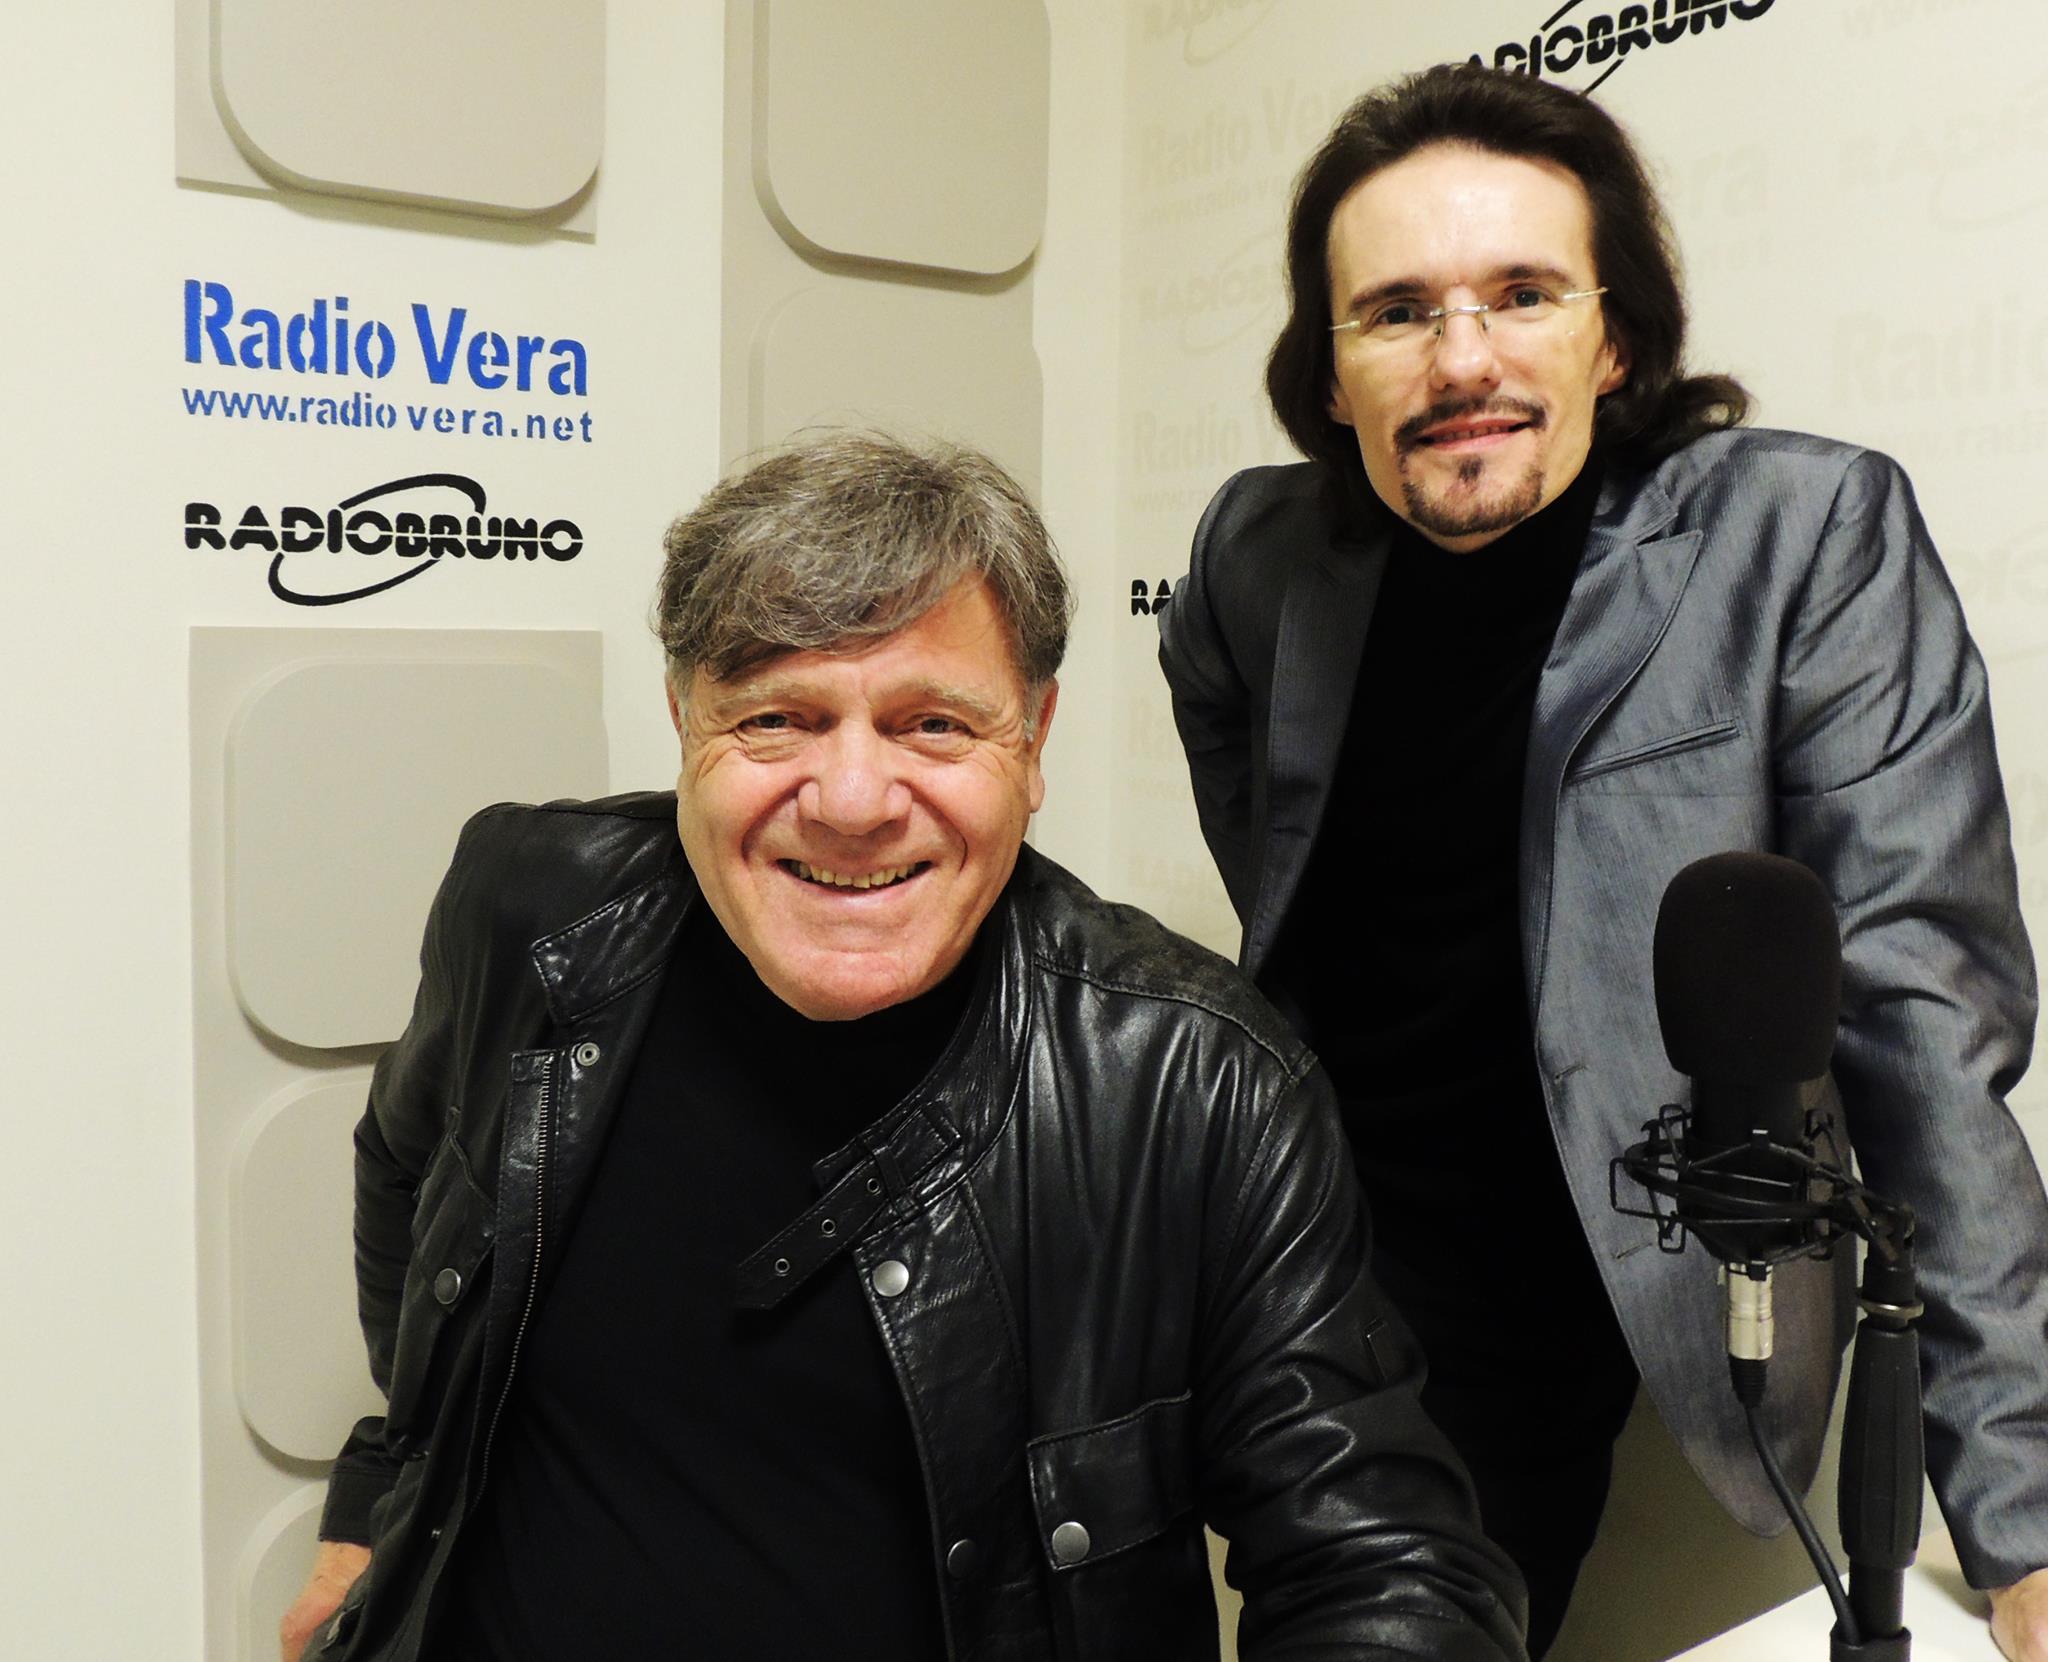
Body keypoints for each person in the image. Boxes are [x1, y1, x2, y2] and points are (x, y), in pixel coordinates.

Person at [279, 431, 1528, 1662]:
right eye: (776, 719)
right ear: (682, 721)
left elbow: (1381, 1569)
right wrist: (383, 1496)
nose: (852, 802)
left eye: (932, 724)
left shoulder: (1197, 1083)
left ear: (1032, 740)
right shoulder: (527, 907)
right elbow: (407, 1172)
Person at [1157, 62, 2048, 1661]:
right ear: (1331, 373)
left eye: (1521, 294)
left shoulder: (1801, 536)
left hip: (1545, 1300)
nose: (1463, 359)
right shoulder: (1252, 555)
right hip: (1286, 1239)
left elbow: (1920, 1016)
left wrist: (2026, 1510)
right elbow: (1256, 802)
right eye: (1397, 312)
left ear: (1615, 336)